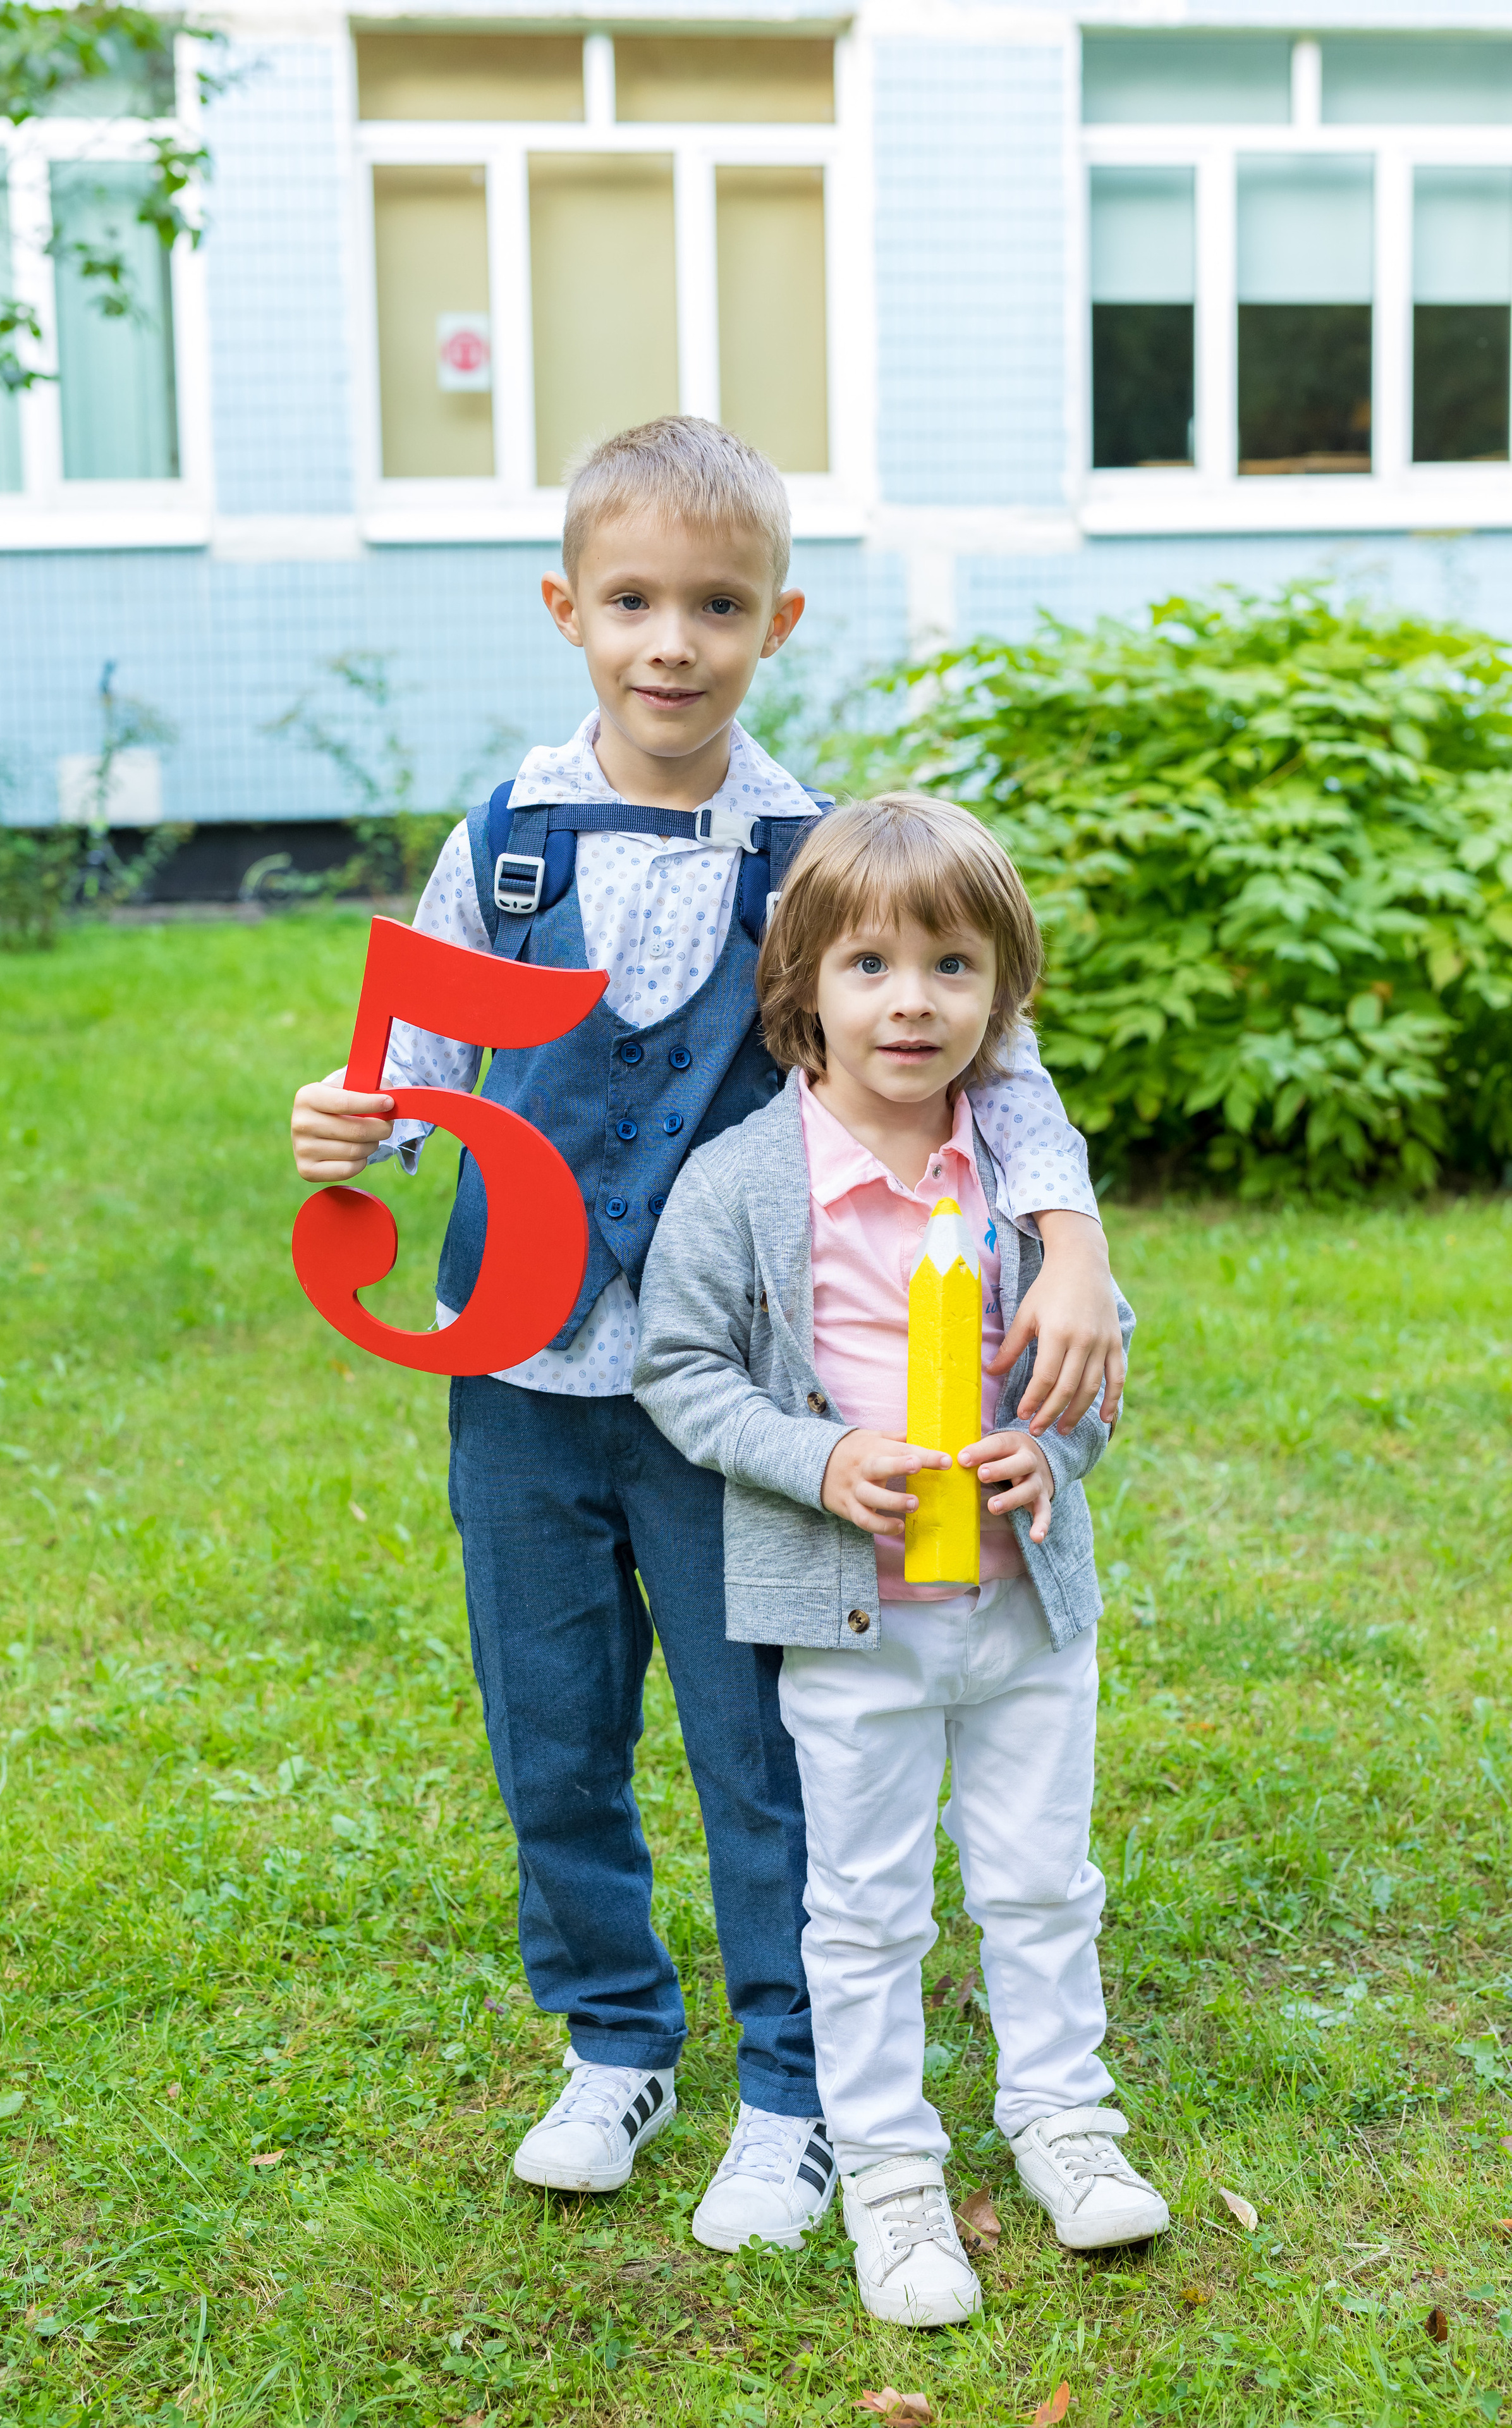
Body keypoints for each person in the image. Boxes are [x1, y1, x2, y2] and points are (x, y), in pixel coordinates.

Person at [290, 419, 1126, 2257]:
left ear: (778, 622)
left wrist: (1064, 1242)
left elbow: (1000, 1066)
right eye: (636, 604)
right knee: (556, 1732)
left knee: (764, 1748)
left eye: (718, 607)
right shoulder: (506, 838)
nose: (673, 642)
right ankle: (613, 2043)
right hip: (515, 1377)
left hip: (736, 1401)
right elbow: (418, 1075)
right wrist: (351, 1121)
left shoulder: (806, 848)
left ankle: (793, 2086)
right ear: (567, 611)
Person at [633, 792, 1169, 2324]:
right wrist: (819, 1458)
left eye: (951, 966)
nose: (913, 1002)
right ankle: (885, 2168)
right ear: (800, 988)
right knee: (862, 1902)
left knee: (1039, 1880)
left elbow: (1095, 1354)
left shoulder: (1016, 1181)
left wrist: (1049, 1450)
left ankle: (1062, 2115)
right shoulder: (747, 1184)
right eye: (869, 966)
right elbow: (679, 1371)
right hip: (850, 1625)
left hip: (1021, 1613)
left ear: (1003, 995)